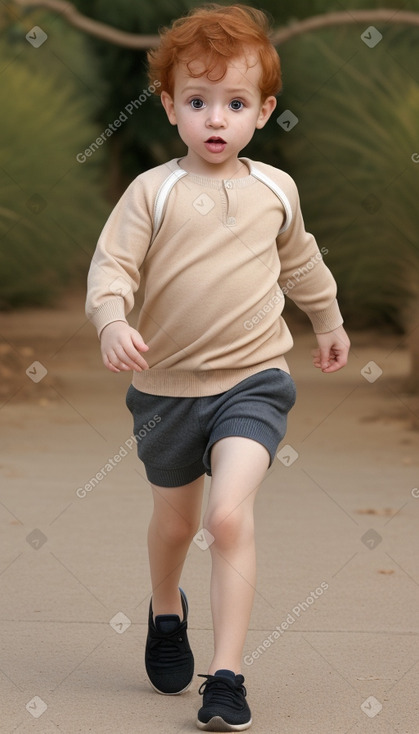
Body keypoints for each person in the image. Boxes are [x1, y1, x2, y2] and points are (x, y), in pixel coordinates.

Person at [85, 3, 350, 730]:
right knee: (175, 526)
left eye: (235, 103)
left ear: (262, 111)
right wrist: (112, 321)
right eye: (197, 101)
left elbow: (302, 263)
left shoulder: (274, 191)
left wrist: (326, 322)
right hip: (165, 392)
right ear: (169, 106)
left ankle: (226, 676)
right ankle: (165, 609)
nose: (216, 119)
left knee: (227, 519)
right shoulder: (153, 192)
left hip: (253, 382)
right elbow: (112, 271)